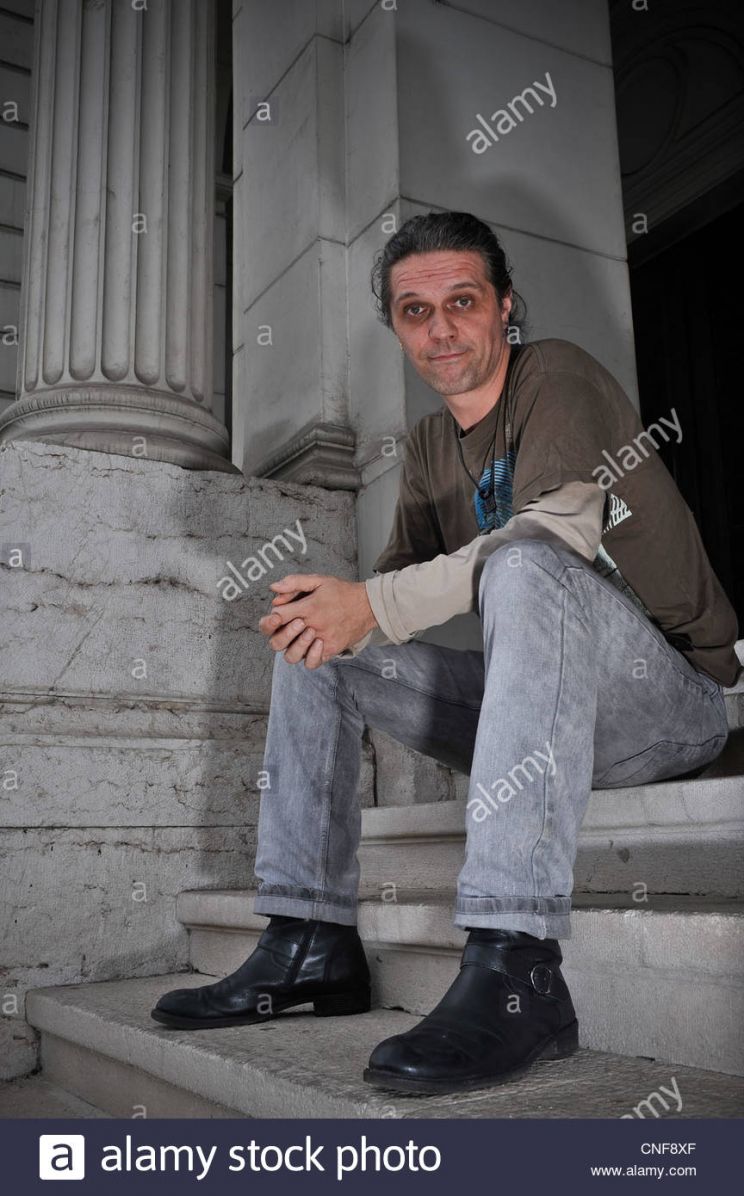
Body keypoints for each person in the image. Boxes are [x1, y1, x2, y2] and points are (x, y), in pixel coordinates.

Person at [152, 211, 739, 1096]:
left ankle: (517, 966)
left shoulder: (556, 376)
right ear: (396, 327)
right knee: (319, 645)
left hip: (672, 702)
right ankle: (309, 940)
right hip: (552, 717)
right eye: (415, 310)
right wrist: (336, 611)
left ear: (506, 306)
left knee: (527, 560)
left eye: (462, 301)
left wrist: (373, 603)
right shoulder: (429, 447)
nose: (440, 328)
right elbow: (389, 602)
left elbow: (553, 534)